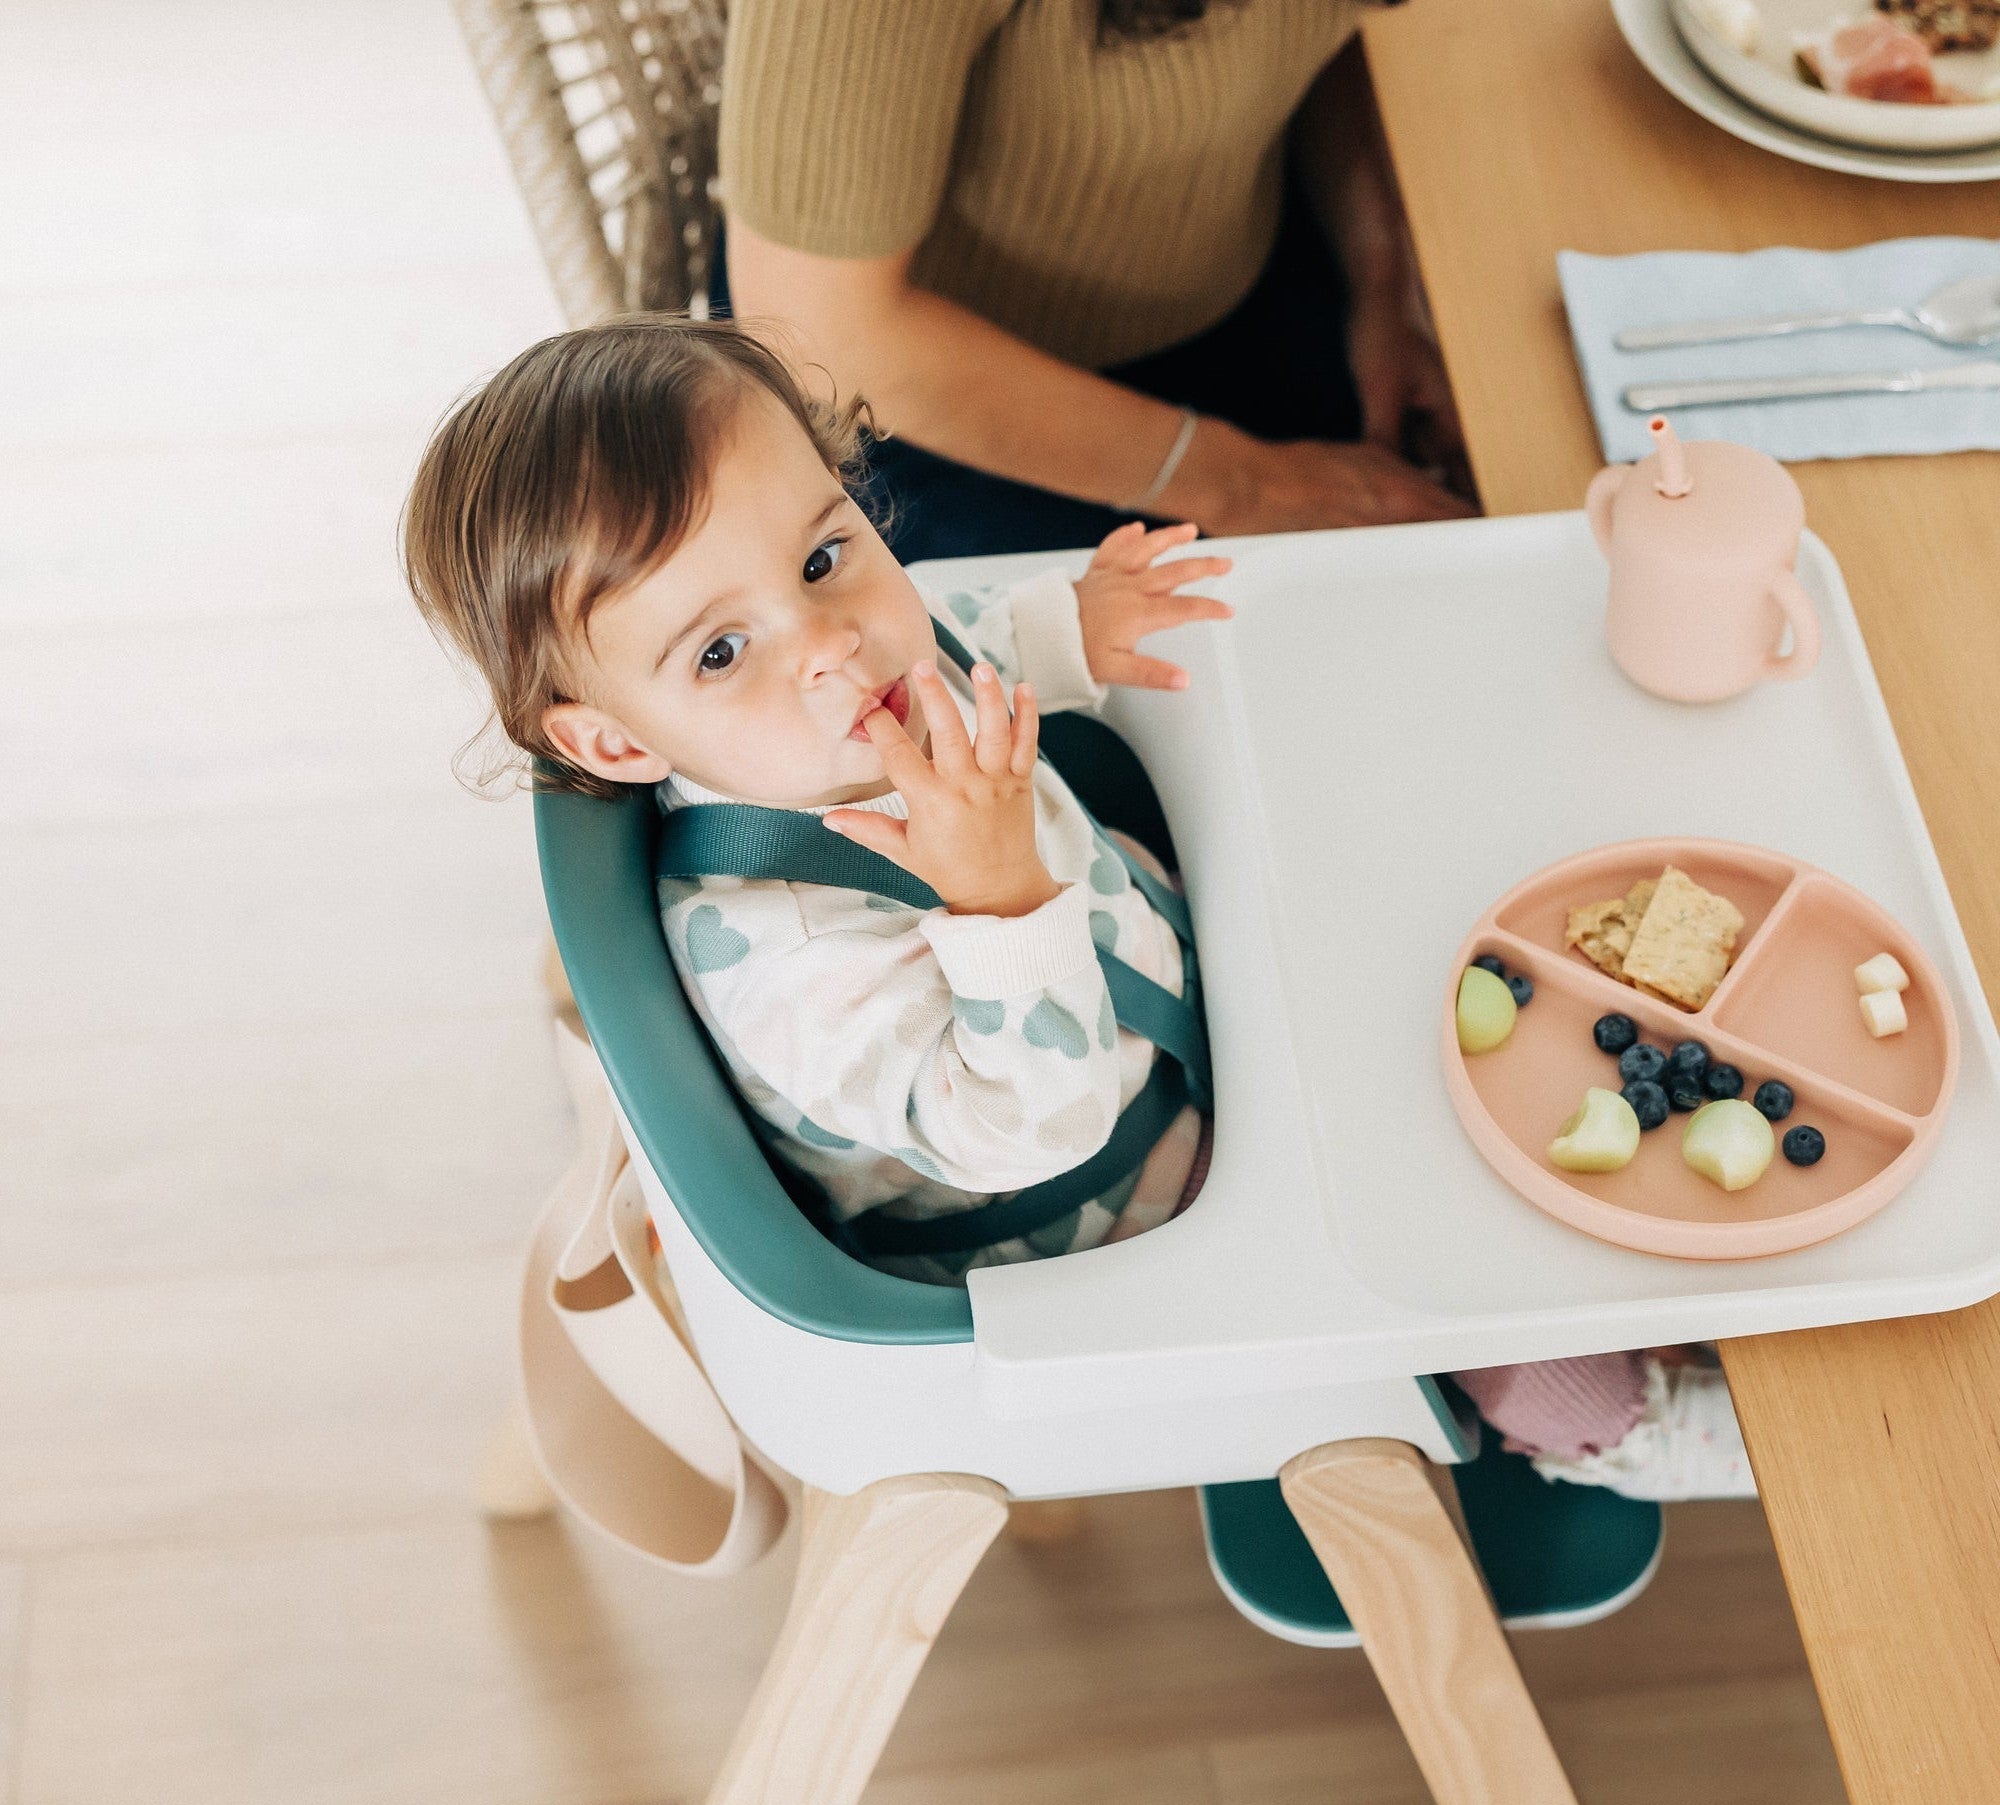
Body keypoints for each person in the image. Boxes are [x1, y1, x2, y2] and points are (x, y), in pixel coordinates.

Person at [401, 316, 1753, 1501]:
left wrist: (1067, 630)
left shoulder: (833, 696)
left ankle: (1630, 1262)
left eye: (825, 557)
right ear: (622, 745)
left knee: (1454, 986)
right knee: (1430, 1247)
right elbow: (1029, 1130)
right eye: (719, 649)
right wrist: (995, 896)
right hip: (1126, 1208)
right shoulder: (791, 961)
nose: (834, 642)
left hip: (1168, 1014)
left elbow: (957, 641)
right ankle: (1606, 1427)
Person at [716, 0, 1474, 561]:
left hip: (1245, 268)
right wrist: (1247, 486)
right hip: (917, 407)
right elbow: (822, 330)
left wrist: (1384, 281)